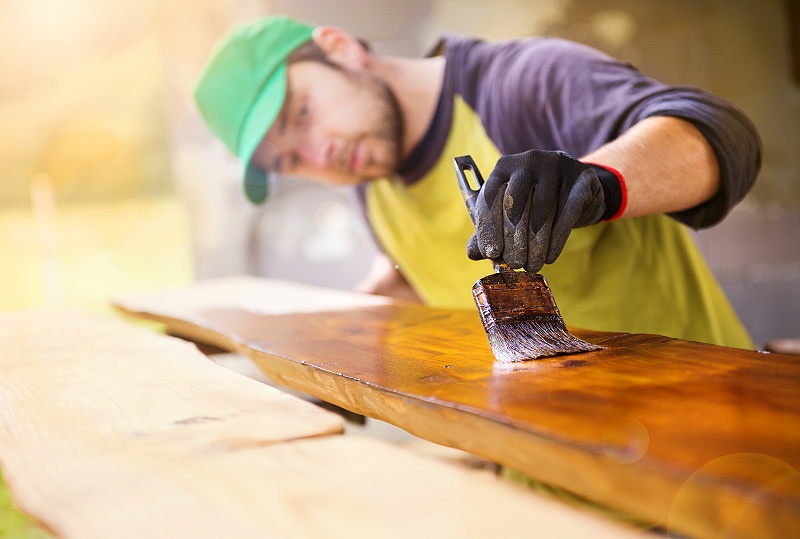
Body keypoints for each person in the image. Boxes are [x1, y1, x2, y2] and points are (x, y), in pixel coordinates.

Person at [193, 16, 762, 349]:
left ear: (341, 48)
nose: (319, 154)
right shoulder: (373, 185)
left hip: (707, 461)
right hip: (551, 486)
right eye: (290, 160)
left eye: (301, 113)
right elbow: (420, 277)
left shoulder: (519, 85)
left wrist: (596, 182)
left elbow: (716, 137)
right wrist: (328, 342)